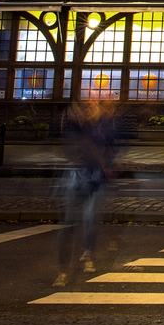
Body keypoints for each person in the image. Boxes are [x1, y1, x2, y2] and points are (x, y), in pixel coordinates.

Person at [55, 99, 118, 286]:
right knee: (68, 223)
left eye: (93, 107)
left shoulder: (103, 128)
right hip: (76, 176)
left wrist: (108, 164)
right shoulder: (74, 125)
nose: (90, 111)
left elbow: (112, 148)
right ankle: (63, 270)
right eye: (86, 108)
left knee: (90, 219)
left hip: (96, 178)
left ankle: (89, 253)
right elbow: (66, 145)